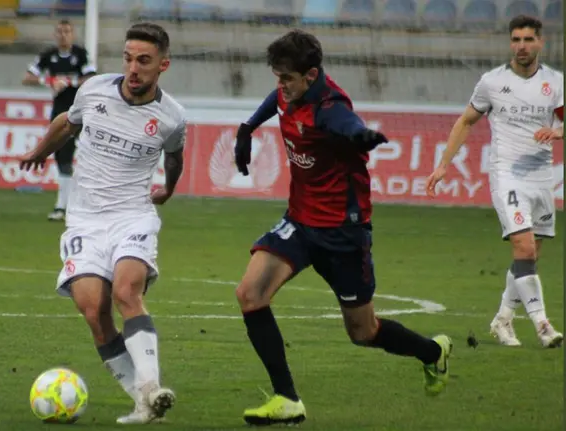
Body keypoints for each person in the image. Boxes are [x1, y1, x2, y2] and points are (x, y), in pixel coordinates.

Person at [233, 29, 453, 426]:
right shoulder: (290, 90)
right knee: (250, 295)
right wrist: (248, 127)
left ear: (311, 75)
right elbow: (277, 101)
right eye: (277, 77)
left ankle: (433, 353)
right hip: (299, 222)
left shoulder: (329, 107)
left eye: (286, 79)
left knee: (363, 331)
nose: (280, 86)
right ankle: (288, 399)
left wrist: (361, 136)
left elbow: (346, 123)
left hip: (342, 233)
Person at [19, 22, 185, 425]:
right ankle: (144, 401)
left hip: (133, 215)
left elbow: (176, 156)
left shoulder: (171, 118)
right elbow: (65, 123)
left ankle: (151, 388)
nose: (133, 68)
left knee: (128, 291)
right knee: (93, 309)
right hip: (85, 220)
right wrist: (40, 151)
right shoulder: (92, 90)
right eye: (128, 58)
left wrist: (169, 188)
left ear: (163, 65)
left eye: (144, 61)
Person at [427, 15, 563, 348]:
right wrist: (444, 164)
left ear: (540, 43)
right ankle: (543, 325)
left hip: (542, 178)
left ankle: (503, 319)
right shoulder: (492, 82)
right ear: (510, 43)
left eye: (528, 40)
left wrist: (558, 131)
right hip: (507, 175)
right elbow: (466, 121)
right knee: (524, 246)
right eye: (516, 40)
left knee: (529, 257)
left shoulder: (555, 82)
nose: (521, 46)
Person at [22, 19, 97, 221]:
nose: (63, 35)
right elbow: (27, 77)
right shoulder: (49, 56)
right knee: (62, 157)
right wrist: (49, 81)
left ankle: (91, 204)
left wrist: (69, 82)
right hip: (60, 113)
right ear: (55, 35)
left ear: (73, 34)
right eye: (60, 31)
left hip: (84, 112)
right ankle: (61, 207)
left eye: (67, 31)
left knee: (93, 155)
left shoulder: (80, 54)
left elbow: (91, 78)